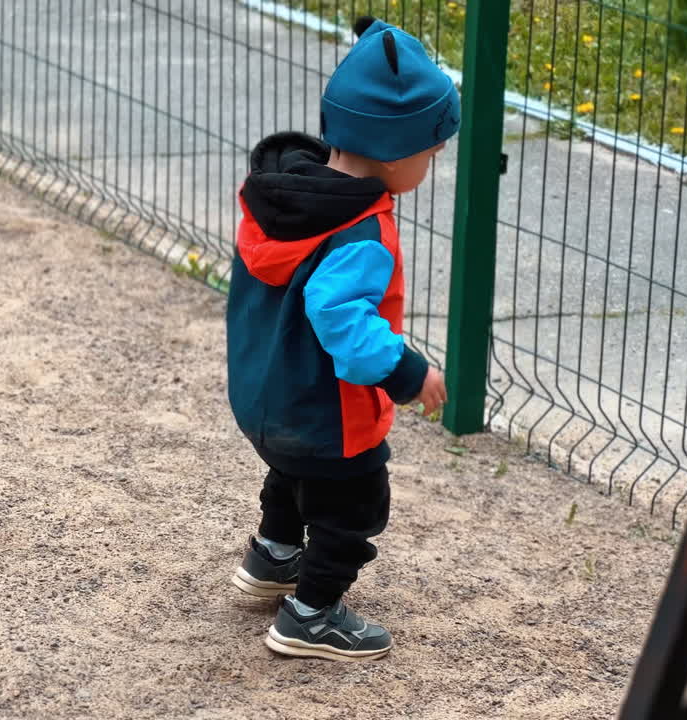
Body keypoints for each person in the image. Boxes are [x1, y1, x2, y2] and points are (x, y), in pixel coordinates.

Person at [226, 16, 459, 661]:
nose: (434, 163)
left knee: (294, 472)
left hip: (266, 397)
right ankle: (311, 613)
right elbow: (344, 326)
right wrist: (410, 374)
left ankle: (274, 556)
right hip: (326, 410)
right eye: (432, 152)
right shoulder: (359, 234)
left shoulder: (283, 199)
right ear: (396, 147)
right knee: (354, 503)